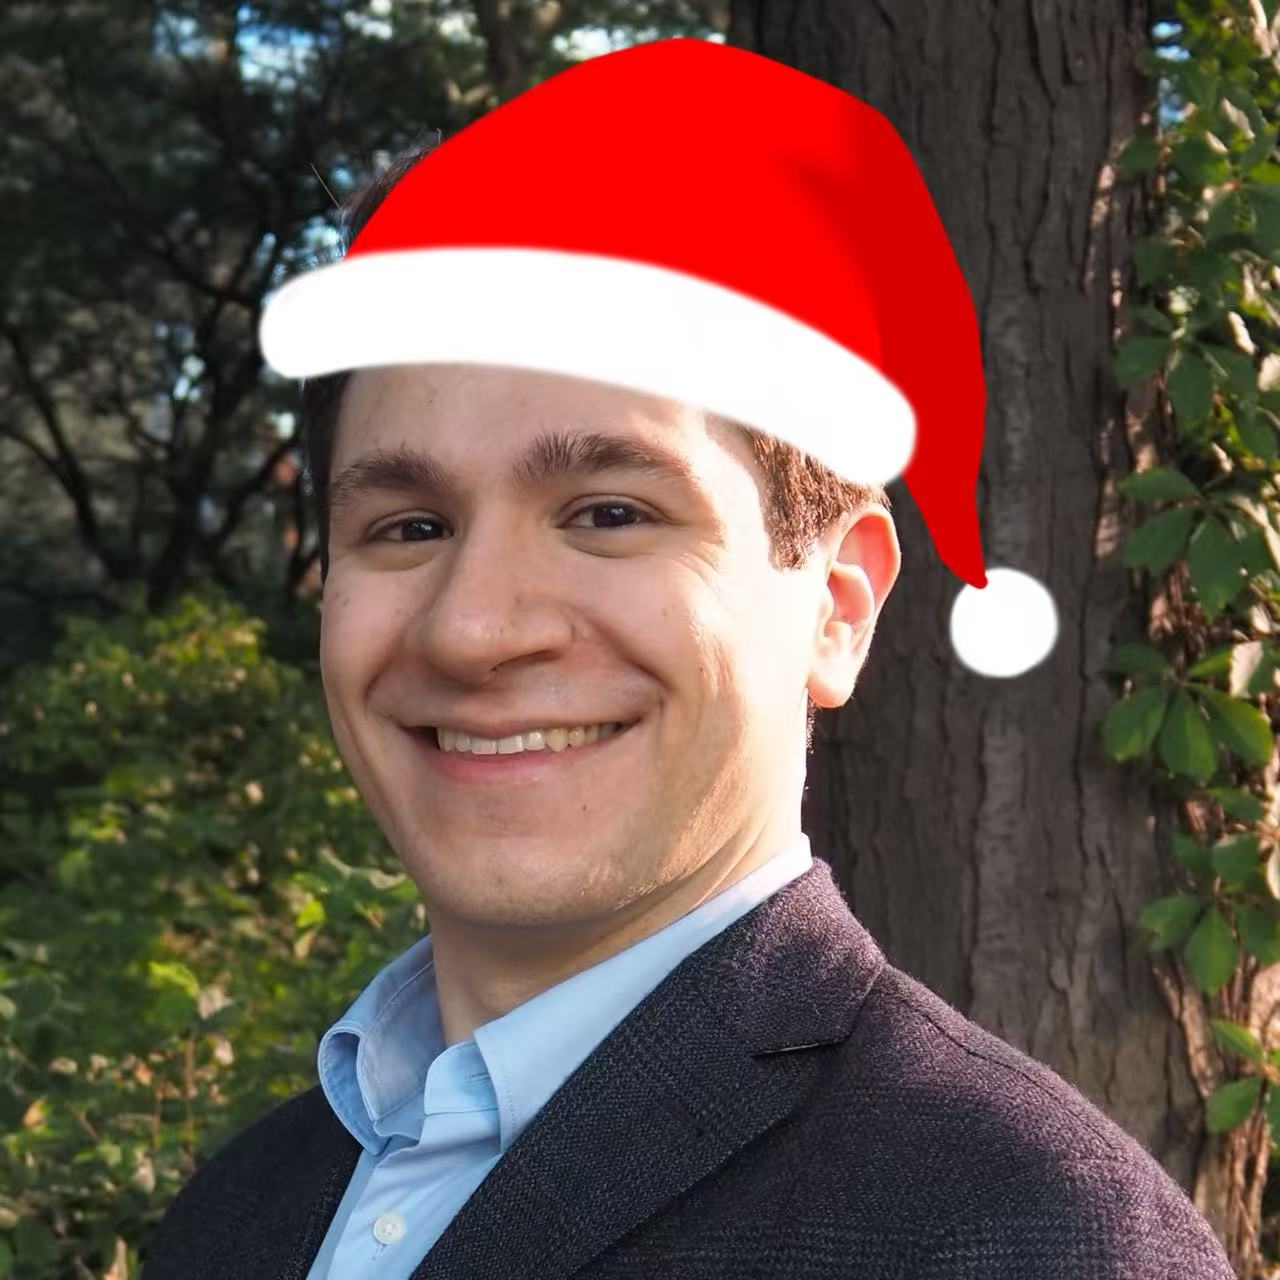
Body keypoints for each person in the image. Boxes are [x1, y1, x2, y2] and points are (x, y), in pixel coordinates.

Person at [141, 38, 1233, 1280]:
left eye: (609, 512)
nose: (471, 628)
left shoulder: (1033, 1234)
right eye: (409, 526)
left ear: (835, 605)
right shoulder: (239, 1210)